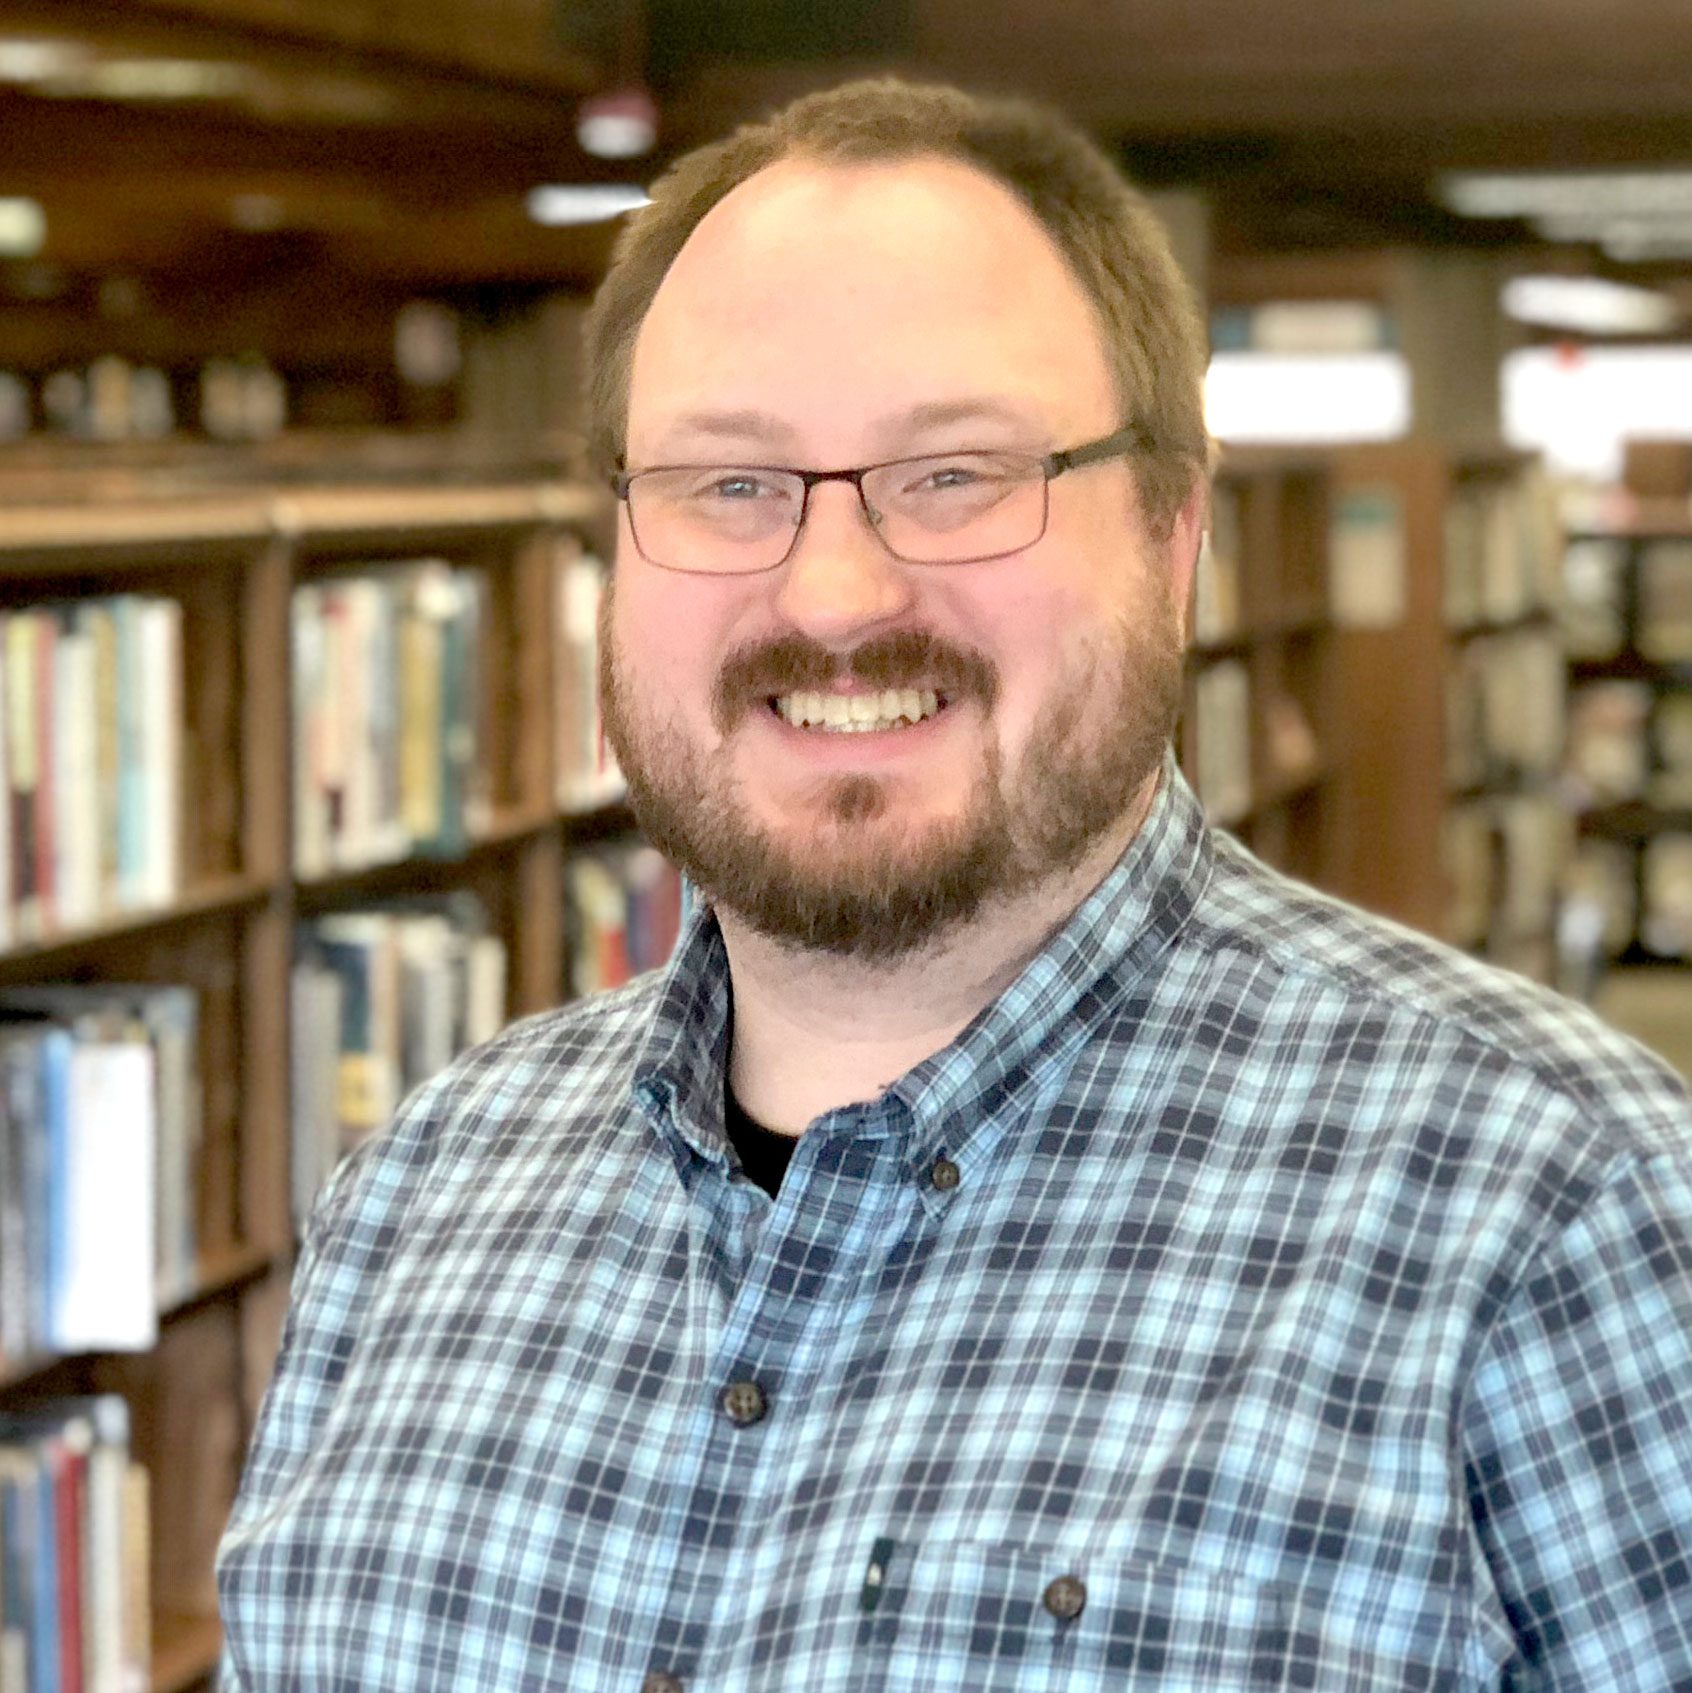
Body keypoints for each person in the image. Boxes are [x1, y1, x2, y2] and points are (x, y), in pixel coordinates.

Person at [217, 78, 1692, 1691]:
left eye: (957, 474)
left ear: (1176, 536)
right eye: (728, 482)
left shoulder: (1560, 1214)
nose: (835, 590)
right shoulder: (415, 1199)